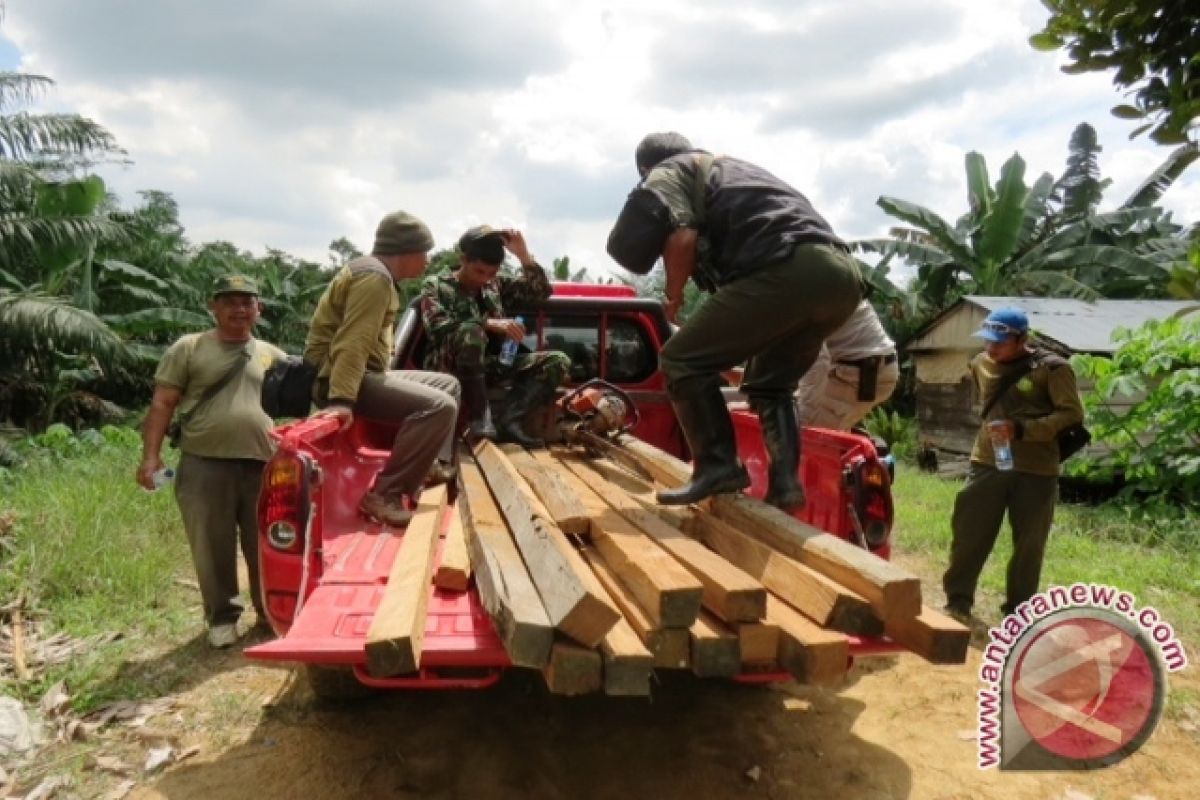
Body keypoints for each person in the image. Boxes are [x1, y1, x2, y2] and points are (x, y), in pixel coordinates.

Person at [607, 132, 864, 509]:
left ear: (645, 168)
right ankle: (786, 486)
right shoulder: (735, 169)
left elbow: (681, 234)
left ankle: (717, 466)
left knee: (681, 359)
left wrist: (673, 297)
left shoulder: (667, 172)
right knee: (772, 384)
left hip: (786, 268)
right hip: (841, 278)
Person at [137, 275, 287, 649]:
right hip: (205, 463)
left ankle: (270, 613)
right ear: (213, 306)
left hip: (263, 464)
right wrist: (151, 457)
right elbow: (162, 404)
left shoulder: (272, 354)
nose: (239, 308)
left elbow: (296, 403)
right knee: (211, 544)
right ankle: (222, 618)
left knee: (267, 544)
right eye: (229, 301)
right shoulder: (189, 348)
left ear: (259, 309)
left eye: (246, 301)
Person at [304, 211, 461, 528]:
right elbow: (353, 342)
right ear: (407, 252)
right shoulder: (374, 279)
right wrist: (342, 401)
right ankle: (385, 494)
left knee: (448, 385)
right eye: (424, 253)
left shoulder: (377, 275)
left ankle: (427, 464)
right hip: (337, 377)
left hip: (364, 373)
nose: (427, 262)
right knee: (439, 406)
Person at [942, 307, 1085, 621]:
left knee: (1028, 547)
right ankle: (958, 601)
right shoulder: (980, 363)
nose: (991, 349)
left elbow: (1072, 414)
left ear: (1021, 339)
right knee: (969, 534)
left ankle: (1018, 613)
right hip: (989, 462)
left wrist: (1022, 429)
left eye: (1000, 343)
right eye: (988, 341)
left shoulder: (1053, 369)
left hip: (1036, 469)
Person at [418, 225, 569, 447]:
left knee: (557, 361)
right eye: (479, 271)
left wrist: (523, 256)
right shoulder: (436, 285)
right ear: (463, 260)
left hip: (493, 365)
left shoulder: (494, 285)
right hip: (450, 369)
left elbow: (540, 292)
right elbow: (437, 326)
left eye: (491, 273)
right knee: (472, 331)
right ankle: (480, 416)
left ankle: (509, 420)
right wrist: (489, 324)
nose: (484, 278)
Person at [794, 300, 899, 430]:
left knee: (805, 432)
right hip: (863, 363)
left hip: (861, 369)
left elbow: (816, 360)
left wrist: (802, 424)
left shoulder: (788, 299)